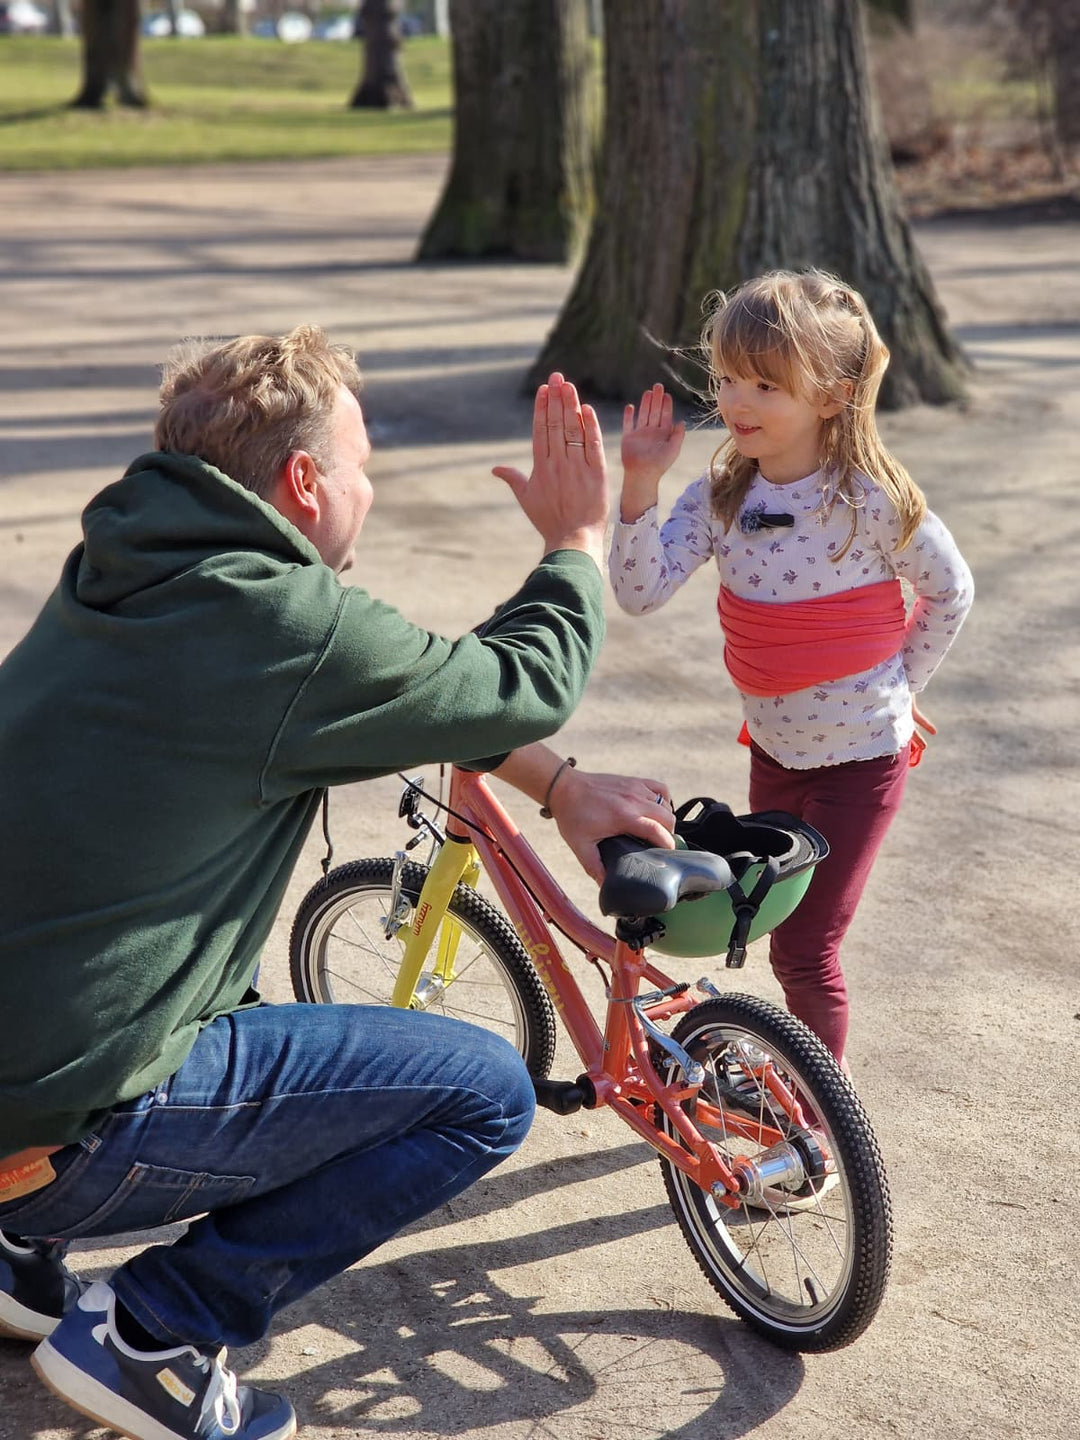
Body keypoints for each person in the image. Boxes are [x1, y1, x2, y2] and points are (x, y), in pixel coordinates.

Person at [0, 326, 674, 1440]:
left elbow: (406, 682)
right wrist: (580, 541)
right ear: (305, 482)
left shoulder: (128, 570)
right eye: (363, 467)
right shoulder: (283, 627)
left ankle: (20, 1253)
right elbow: (521, 680)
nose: (371, 491)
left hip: (21, 1062)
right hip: (67, 1122)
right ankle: (159, 1331)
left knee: (192, 966)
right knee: (486, 1091)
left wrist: (560, 790)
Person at [609, 269, 973, 1070]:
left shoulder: (869, 500)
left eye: (767, 384)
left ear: (832, 396)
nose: (739, 401)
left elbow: (951, 592)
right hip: (774, 754)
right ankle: (800, 1083)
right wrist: (639, 483)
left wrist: (899, 691)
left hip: (861, 764)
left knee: (805, 950)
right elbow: (639, 592)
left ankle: (819, 1121)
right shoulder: (718, 500)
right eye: (729, 378)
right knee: (768, 927)